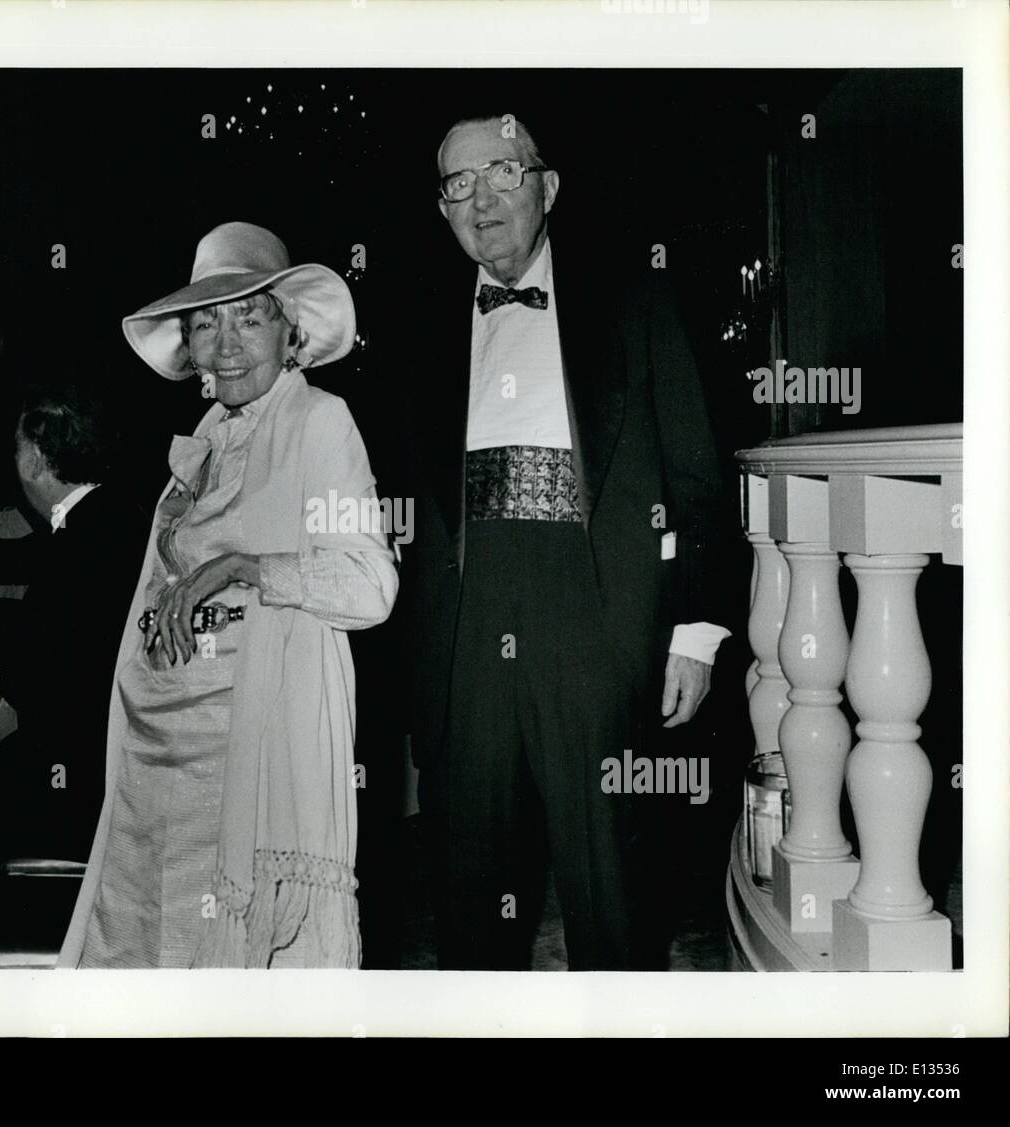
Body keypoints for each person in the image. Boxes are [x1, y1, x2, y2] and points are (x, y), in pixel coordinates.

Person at [400, 115, 732, 970]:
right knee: (468, 892)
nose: (481, 200)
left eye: (502, 174)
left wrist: (694, 633)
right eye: (458, 185)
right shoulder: (419, 331)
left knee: (611, 883)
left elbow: (695, 476)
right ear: (442, 211)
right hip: (465, 631)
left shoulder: (636, 300)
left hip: (595, 619)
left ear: (548, 186)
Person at [58, 222, 398, 968]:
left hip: (245, 755)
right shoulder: (208, 433)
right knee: (146, 954)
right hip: (157, 759)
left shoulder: (319, 421)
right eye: (208, 321)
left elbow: (372, 586)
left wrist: (247, 565)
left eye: (252, 315)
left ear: (291, 333)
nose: (229, 340)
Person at [0, 387, 148, 863]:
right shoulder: (110, 520)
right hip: (118, 766)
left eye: (16, 446)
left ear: (35, 460)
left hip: (80, 793)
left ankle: (0, 932)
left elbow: (35, 682)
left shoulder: (82, 540)